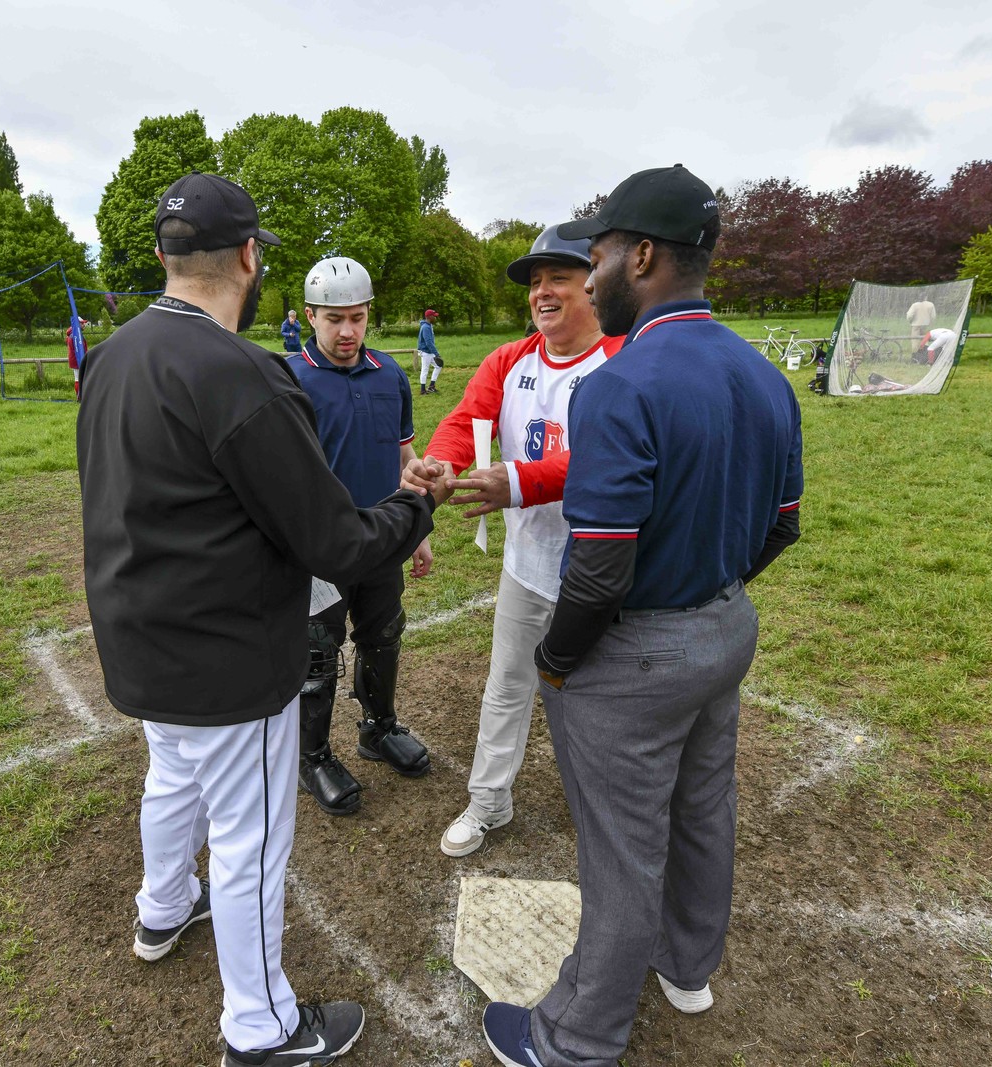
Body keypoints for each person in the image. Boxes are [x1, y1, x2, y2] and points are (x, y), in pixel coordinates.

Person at [76, 171, 443, 1066]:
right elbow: (337, 541)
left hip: (140, 635)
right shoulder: (243, 372)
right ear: (249, 257)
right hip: (227, 658)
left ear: (164, 256)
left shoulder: (116, 352)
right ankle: (262, 1024)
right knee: (251, 837)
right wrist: (414, 505)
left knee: (172, 779)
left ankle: (162, 908)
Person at [480, 165, 803, 1067]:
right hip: (726, 627)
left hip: (637, 652)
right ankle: (687, 965)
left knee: (623, 851)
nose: (590, 277)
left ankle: (576, 1038)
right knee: (702, 807)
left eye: (605, 254)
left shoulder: (618, 384)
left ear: (645, 254)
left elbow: (600, 567)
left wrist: (556, 659)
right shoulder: (763, 373)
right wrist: (713, 582)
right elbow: (784, 524)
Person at [399, 224, 624, 857]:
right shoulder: (510, 360)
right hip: (528, 567)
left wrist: (520, 482)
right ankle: (489, 802)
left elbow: (618, 462)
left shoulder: (624, 360)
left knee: (603, 706)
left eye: (558, 277)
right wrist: (441, 462)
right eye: (534, 282)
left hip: (604, 575)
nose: (542, 293)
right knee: (506, 689)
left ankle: (612, 820)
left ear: (595, 282)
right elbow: (466, 419)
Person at [286, 255, 435, 815]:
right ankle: (313, 756)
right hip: (319, 549)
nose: (347, 332)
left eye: (357, 317)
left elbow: (404, 454)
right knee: (318, 655)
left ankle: (377, 729)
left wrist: (416, 529)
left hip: (380, 538)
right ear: (310, 316)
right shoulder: (289, 378)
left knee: (383, 635)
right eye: (333, 319)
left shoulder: (389, 374)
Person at [417, 308, 442, 395]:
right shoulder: (425, 327)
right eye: (434, 316)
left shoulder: (429, 325)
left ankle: (431, 386)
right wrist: (437, 353)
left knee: (438, 366)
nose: (435, 318)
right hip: (426, 352)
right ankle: (422, 390)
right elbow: (428, 343)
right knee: (425, 370)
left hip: (429, 352)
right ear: (429, 317)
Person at [65, 318, 90, 396]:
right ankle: (79, 396)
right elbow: (79, 349)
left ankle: (80, 395)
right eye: (82, 323)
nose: (84, 325)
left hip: (76, 360)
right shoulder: (76, 336)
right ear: (77, 324)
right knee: (78, 379)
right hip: (78, 360)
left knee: (79, 378)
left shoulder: (73, 334)